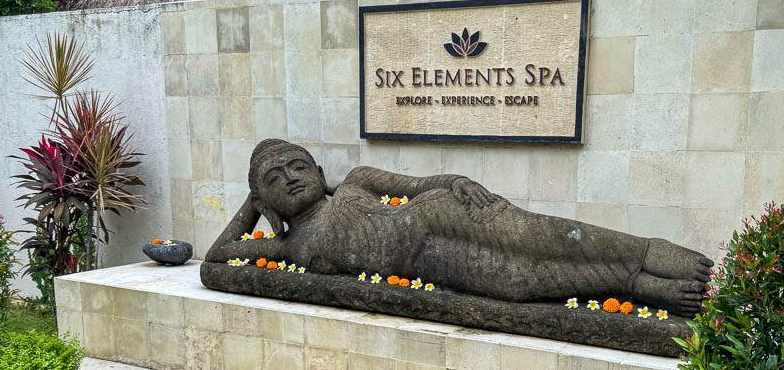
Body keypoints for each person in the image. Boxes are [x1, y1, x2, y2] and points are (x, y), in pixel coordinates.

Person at [204, 139, 713, 316]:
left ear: (319, 172)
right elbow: (217, 257)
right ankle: (635, 285)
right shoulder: (285, 245)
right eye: (275, 179)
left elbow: (423, 182)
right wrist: (253, 207)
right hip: (424, 261)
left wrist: (458, 180)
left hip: (440, 213)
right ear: (264, 200)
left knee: (544, 236)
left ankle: (647, 252)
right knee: (518, 282)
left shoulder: (356, 181)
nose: (290, 179)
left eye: (297, 166)